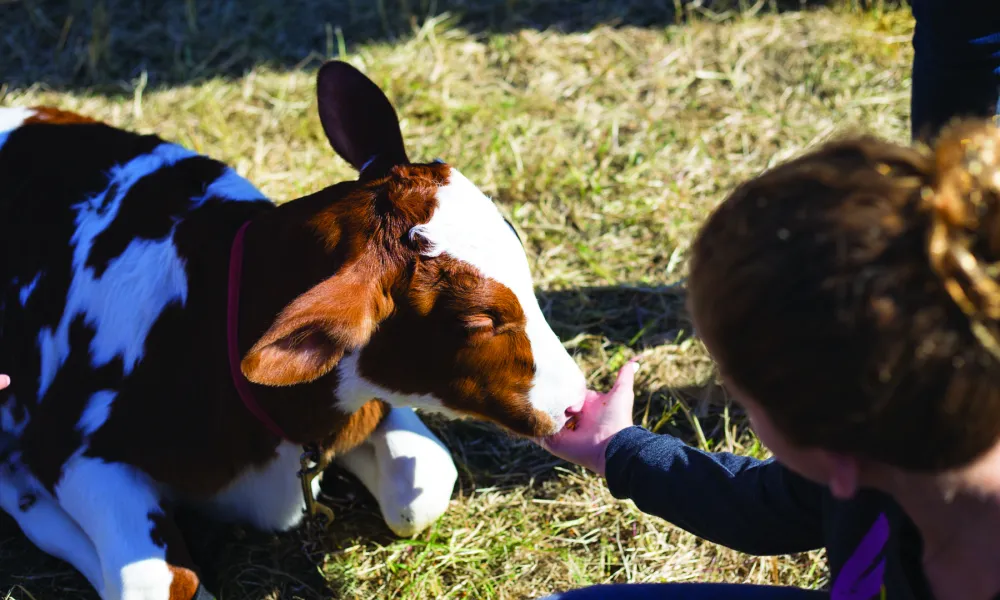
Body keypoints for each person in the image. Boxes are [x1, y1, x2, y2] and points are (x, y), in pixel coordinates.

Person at [538, 120, 1000, 600]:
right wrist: (616, 447)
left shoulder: (873, 456)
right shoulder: (895, 437)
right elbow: (761, 507)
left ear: (836, 458)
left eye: (738, 395)